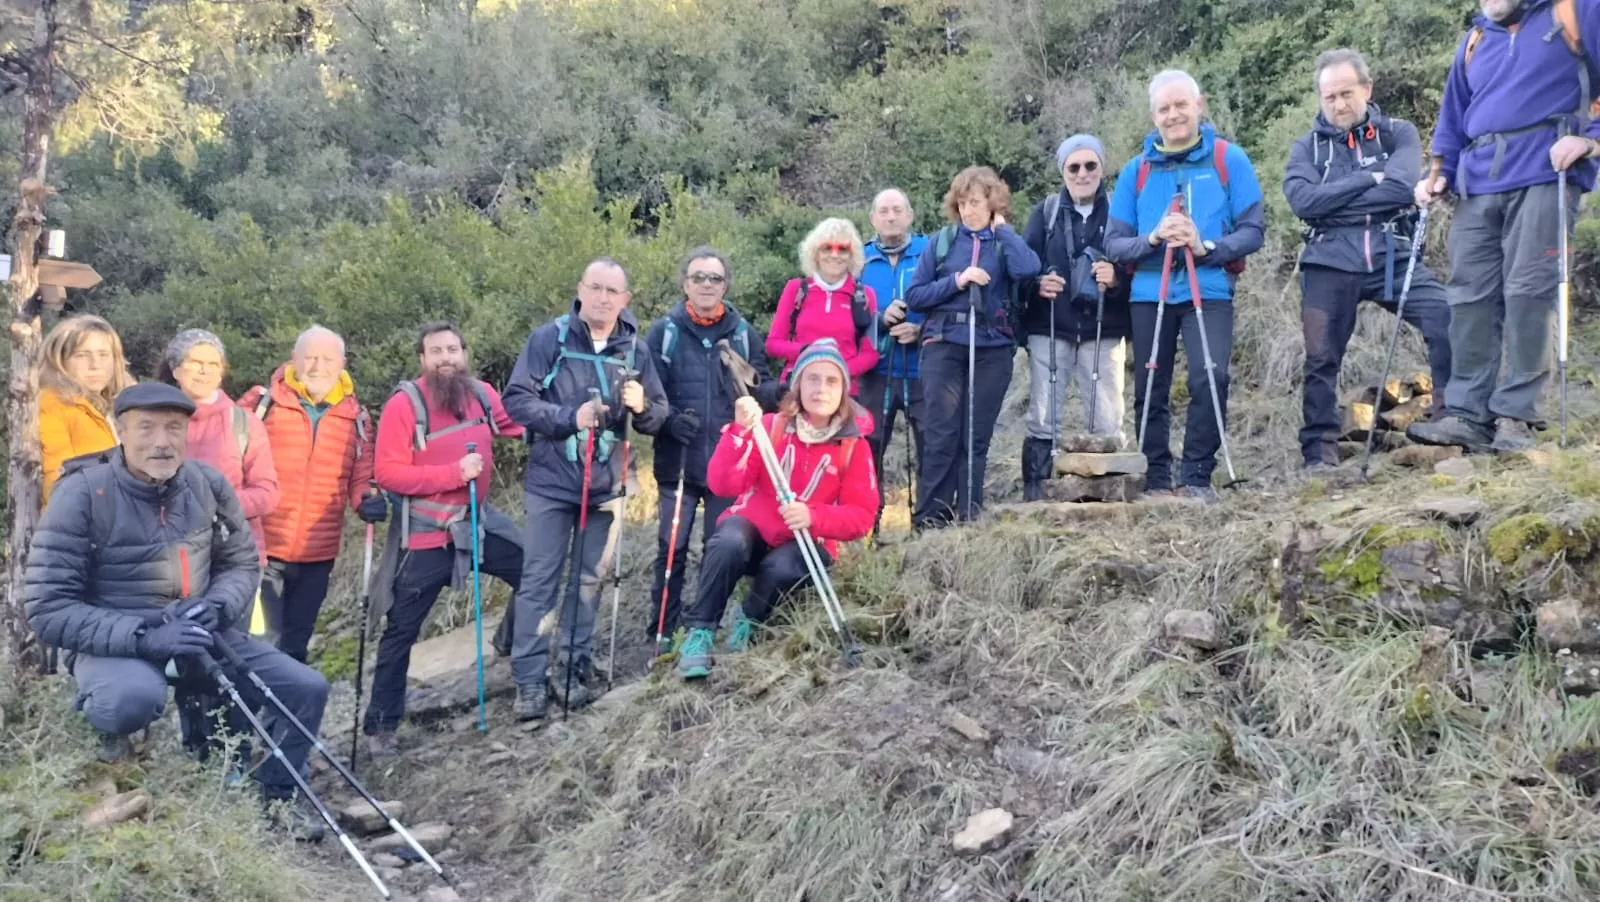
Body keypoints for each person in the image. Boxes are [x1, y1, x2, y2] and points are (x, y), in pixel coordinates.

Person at [24, 382, 330, 839]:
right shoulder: (82, 493)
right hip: (117, 643)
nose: (161, 442)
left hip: (200, 633)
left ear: (188, 432)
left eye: (173, 428)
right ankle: (112, 760)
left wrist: (219, 604)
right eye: (146, 428)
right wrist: (142, 636)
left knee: (306, 688)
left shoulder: (207, 484)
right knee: (129, 700)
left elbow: (241, 564)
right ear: (120, 430)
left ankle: (274, 798)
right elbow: (48, 607)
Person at [1409, 0, 1600, 453]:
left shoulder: (1576, 12)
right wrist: (1438, 174)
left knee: (1529, 291)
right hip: (1477, 182)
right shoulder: (1476, 39)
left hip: (1544, 173)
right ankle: (1466, 414)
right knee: (1468, 297)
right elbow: (1452, 119)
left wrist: (1589, 140)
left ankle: (1517, 415)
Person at [503, 259, 668, 720]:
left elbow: (658, 415)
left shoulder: (635, 350)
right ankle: (529, 681)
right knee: (539, 580)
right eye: (596, 288)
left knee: (590, 582)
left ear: (625, 299)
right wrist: (566, 418)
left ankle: (573, 670)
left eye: (612, 291)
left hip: (606, 486)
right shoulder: (548, 340)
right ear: (580, 290)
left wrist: (643, 405)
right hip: (552, 484)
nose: (603, 298)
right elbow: (516, 400)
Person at [1284, 49, 1453, 471]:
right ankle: (1319, 451)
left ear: (1367, 89)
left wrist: (1334, 202)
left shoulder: (1398, 133)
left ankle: (1451, 419)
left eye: (1347, 93)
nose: (1339, 104)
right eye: (1330, 97)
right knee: (1321, 357)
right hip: (1328, 260)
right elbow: (1303, 203)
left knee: (1446, 316)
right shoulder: (1307, 147)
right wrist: (1367, 178)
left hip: (1391, 256)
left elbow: (1399, 189)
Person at [364, 322, 524, 757]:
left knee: (533, 569)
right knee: (401, 629)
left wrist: (573, 425)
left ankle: (510, 646)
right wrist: (454, 474)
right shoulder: (405, 404)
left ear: (464, 354)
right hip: (426, 535)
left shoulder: (483, 394)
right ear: (422, 359)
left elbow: (518, 427)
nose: (446, 358)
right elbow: (388, 473)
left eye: (453, 349)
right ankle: (382, 726)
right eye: (436, 351)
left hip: (477, 521)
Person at [1106, 69, 1266, 502]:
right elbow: (1114, 243)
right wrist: (1153, 238)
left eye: (1181, 105)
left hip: (1209, 287)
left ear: (1199, 106)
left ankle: (1196, 474)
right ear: (1153, 116)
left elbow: (1253, 231)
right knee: (1151, 384)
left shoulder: (1228, 159)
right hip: (1149, 291)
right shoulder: (1136, 172)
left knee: (1210, 376)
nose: (1173, 115)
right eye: (1164, 108)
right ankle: (1156, 475)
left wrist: (1204, 245)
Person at [676, 339, 878, 680]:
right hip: (754, 534)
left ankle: (749, 618)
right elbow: (723, 485)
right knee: (728, 541)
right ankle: (701, 632)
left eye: (831, 381)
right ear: (797, 385)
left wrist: (814, 516)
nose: (821, 388)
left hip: (805, 543)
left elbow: (862, 516)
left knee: (783, 566)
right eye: (812, 379)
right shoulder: (770, 426)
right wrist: (739, 432)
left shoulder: (852, 446)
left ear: (844, 390)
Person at [643, 247, 779, 649]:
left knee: (717, 547)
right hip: (678, 459)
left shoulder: (742, 334)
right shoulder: (664, 332)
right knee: (671, 549)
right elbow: (650, 394)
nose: (706, 284)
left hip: (728, 464)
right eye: (698, 277)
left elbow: (758, 386)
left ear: (726, 285)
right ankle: (663, 631)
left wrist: (783, 394)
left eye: (715, 278)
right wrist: (670, 421)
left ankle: (705, 628)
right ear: (685, 284)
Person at [239, 325, 387, 664]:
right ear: (294, 359)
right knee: (262, 644)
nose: (318, 367)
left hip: (318, 555)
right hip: (261, 550)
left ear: (342, 364)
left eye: (328, 359)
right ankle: (249, 700)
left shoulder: (357, 417)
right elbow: (228, 458)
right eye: (310, 358)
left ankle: (289, 700)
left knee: (296, 644)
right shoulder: (261, 404)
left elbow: (361, 475)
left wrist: (367, 500)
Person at [905, 165, 1041, 527]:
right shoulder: (943, 241)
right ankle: (931, 520)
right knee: (941, 434)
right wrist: (957, 280)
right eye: (963, 203)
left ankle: (969, 516)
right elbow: (915, 295)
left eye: (976, 202)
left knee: (976, 436)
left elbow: (1028, 270)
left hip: (993, 349)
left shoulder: (1005, 242)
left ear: (993, 203)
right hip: (944, 346)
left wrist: (1003, 231)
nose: (968, 210)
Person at [1019, 134, 1132, 500]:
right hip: (1051, 326)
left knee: (1107, 417)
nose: (1082, 173)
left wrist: (1117, 279)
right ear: (1063, 171)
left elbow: (1137, 262)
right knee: (1043, 416)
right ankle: (1038, 494)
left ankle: (1105, 493)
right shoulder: (1046, 213)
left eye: (1090, 165)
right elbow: (1023, 266)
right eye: (1074, 167)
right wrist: (1038, 284)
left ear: (1102, 168)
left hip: (1105, 326)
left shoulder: (1121, 211)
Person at [157, 329, 280, 564]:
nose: (205, 371)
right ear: (175, 369)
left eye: (213, 364)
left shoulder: (243, 423)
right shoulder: (153, 423)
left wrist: (216, 505)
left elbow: (267, 494)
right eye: (196, 362)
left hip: (232, 559)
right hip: (168, 557)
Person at [858, 189, 929, 534]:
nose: (891, 217)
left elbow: (946, 301)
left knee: (931, 446)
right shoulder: (858, 259)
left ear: (910, 215)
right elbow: (849, 315)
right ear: (873, 218)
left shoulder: (930, 252)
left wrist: (921, 329)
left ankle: (928, 524)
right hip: (876, 371)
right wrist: (879, 321)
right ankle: (866, 524)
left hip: (923, 369)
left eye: (898, 210)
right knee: (868, 449)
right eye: (884, 211)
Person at [766, 217, 880, 394]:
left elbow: (870, 354)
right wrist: (807, 351)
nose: (834, 255)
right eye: (827, 248)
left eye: (842, 249)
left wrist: (836, 372)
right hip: (797, 387)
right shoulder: (796, 289)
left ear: (852, 256)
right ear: (815, 254)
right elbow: (773, 344)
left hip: (843, 391)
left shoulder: (864, 296)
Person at [36, 314, 135, 507]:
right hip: (84, 518)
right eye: (82, 355)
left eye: (103, 355)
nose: (95, 365)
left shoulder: (122, 404)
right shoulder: (52, 404)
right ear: (59, 360)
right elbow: (56, 476)